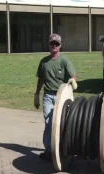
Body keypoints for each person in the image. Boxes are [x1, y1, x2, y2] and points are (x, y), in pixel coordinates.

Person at [34, 33, 78, 161]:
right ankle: (49, 151)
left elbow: (73, 76)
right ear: (48, 44)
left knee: (62, 123)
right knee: (49, 123)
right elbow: (41, 79)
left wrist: (73, 81)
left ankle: (64, 149)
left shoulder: (64, 60)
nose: (54, 46)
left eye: (57, 44)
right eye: (52, 43)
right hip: (48, 96)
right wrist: (36, 94)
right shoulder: (44, 62)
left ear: (60, 46)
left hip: (62, 97)